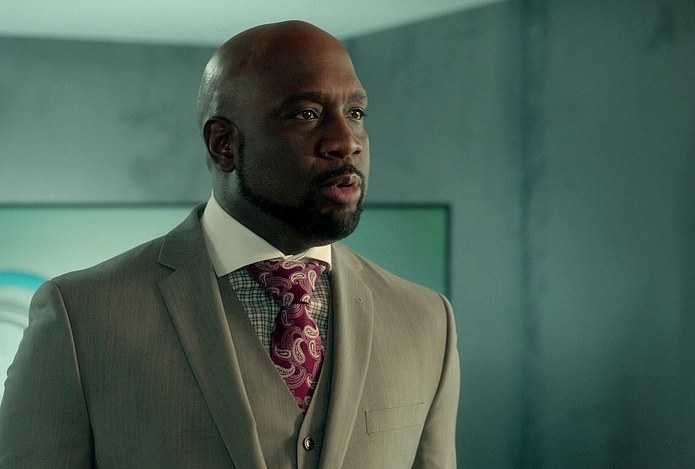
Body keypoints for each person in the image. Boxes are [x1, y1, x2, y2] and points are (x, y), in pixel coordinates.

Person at [0, 20, 459, 468]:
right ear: (224, 144)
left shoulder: (426, 321)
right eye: (306, 114)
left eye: (355, 113)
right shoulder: (80, 317)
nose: (345, 142)